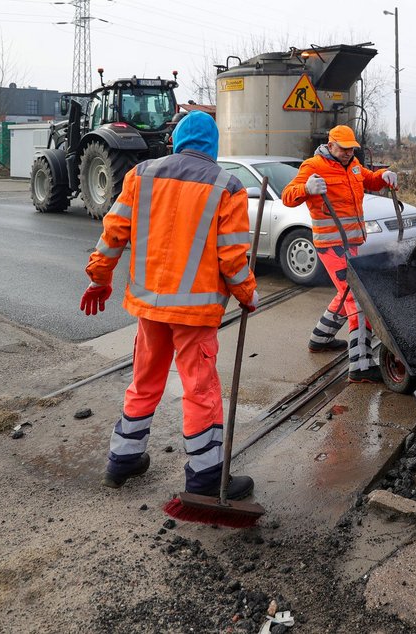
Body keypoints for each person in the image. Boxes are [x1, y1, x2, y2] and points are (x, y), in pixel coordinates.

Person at [80, 111, 259, 500]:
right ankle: (206, 477)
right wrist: (247, 293)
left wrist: (99, 278)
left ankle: (123, 460)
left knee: (145, 381)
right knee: (200, 390)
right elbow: (232, 257)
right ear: (213, 146)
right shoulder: (226, 186)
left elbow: (113, 232)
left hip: (149, 308)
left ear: (176, 141)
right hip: (194, 314)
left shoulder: (140, 175)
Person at [281, 124, 398, 383]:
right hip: (331, 245)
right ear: (330, 144)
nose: (347, 153)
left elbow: (370, 179)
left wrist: (385, 176)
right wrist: (306, 189)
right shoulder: (313, 166)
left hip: (351, 242)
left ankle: (320, 339)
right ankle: (360, 366)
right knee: (358, 300)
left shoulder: (353, 165)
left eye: (351, 149)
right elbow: (287, 196)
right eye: (343, 149)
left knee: (345, 292)